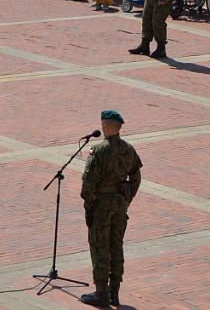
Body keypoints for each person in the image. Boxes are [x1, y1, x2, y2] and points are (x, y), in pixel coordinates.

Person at [79, 109, 142, 308]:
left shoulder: (99, 150)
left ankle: (101, 293)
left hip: (102, 205)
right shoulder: (128, 149)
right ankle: (114, 292)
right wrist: (127, 198)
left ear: (106, 126)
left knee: (99, 247)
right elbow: (136, 177)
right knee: (116, 246)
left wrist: (88, 206)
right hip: (119, 205)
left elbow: (88, 182)